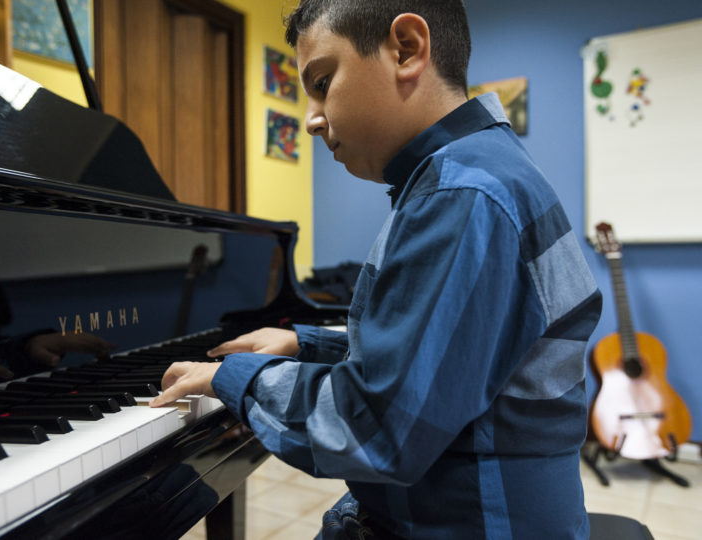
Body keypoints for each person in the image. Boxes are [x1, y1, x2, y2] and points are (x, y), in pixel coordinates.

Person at [151, 1, 602, 538]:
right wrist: (308, 345)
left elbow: (376, 432)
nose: (313, 119)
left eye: (322, 81)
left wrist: (236, 378)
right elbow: (445, 366)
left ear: (406, 49)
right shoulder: (480, 168)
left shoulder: (463, 195)